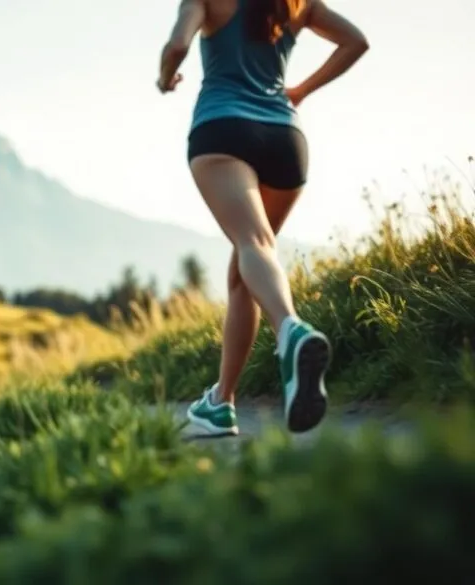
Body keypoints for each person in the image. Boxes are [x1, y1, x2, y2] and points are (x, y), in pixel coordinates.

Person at [156, 0, 369, 436]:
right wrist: (300, 91)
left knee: (254, 245)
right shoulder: (297, 2)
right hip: (284, 138)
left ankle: (290, 331)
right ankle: (221, 402)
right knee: (246, 267)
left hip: (224, 130)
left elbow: (177, 44)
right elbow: (355, 42)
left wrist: (165, 79)